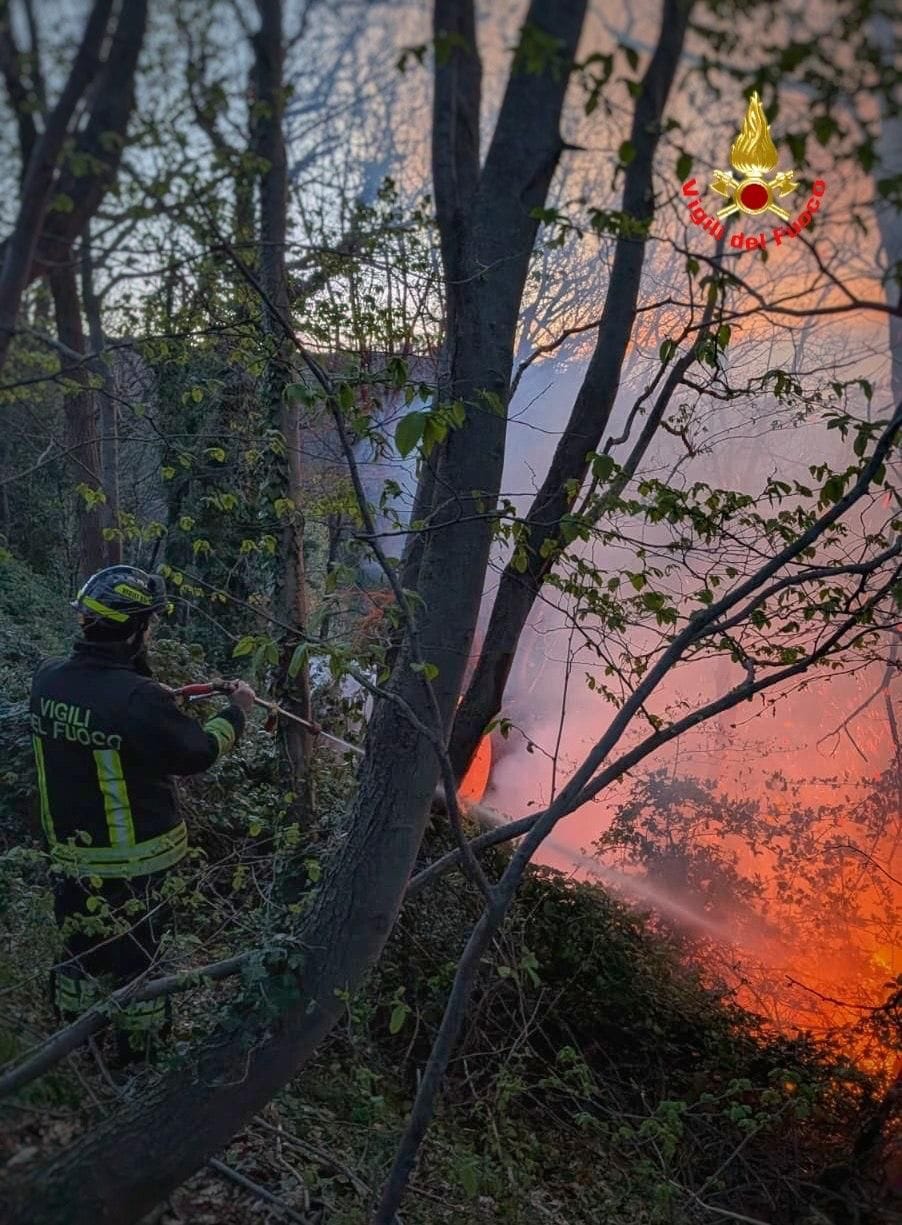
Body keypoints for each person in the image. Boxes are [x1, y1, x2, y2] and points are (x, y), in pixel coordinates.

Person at [29, 564, 255, 1064]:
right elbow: (195, 752)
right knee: (139, 966)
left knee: (80, 954)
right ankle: (138, 1061)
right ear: (136, 628)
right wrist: (235, 712)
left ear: (86, 621)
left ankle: (73, 1054)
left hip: (69, 857)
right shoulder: (137, 699)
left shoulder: (47, 679)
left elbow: (101, 715)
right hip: (137, 866)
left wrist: (154, 700)